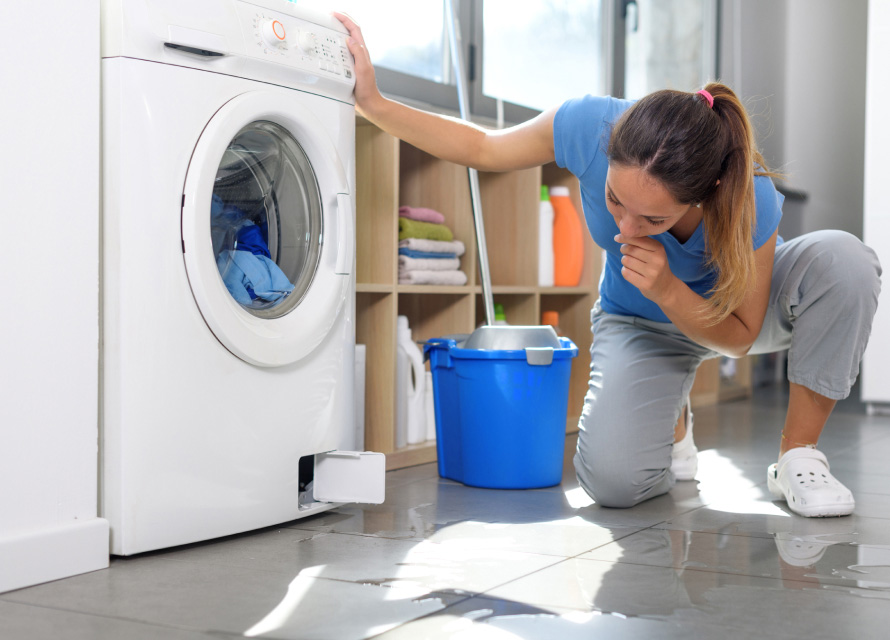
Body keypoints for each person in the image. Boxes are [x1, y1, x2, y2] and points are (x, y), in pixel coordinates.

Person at [334, 13, 882, 518]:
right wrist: (375, 104)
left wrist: (668, 286)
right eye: (615, 201)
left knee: (845, 259)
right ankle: (673, 420)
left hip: (730, 315)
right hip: (640, 325)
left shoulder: (747, 197)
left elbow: (739, 339)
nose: (624, 230)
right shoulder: (587, 125)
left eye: (653, 220)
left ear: (704, 193)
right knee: (613, 485)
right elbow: (483, 147)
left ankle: (798, 459)